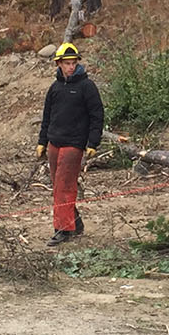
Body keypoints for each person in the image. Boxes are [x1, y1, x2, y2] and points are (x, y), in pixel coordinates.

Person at [36, 42, 103, 246]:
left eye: (74, 63)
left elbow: (97, 115)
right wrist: (42, 142)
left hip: (74, 143)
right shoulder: (55, 88)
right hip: (54, 142)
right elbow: (47, 116)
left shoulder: (87, 87)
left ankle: (63, 230)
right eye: (67, 63)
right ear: (59, 64)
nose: (71, 66)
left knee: (64, 186)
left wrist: (93, 142)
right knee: (57, 186)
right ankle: (75, 222)